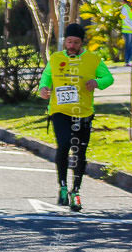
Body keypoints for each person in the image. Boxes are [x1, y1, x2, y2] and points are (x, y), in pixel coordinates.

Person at [37, 22, 114, 211]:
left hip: (84, 112)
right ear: (65, 42)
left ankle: (76, 191)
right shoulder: (55, 58)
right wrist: (43, 89)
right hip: (59, 111)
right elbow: (46, 77)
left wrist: (96, 82)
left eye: (76, 43)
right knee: (64, 145)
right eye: (69, 42)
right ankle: (62, 186)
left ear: (82, 44)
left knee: (80, 152)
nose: (71, 46)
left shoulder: (93, 59)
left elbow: (109, 78)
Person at [120, 0, 132, 65]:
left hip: (130, 30)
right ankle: (127, 61)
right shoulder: (125, 8)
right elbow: (125, 20)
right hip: (127, 30)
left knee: (130, 46)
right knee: (128, 46)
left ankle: (129, 61)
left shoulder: (129, 8)